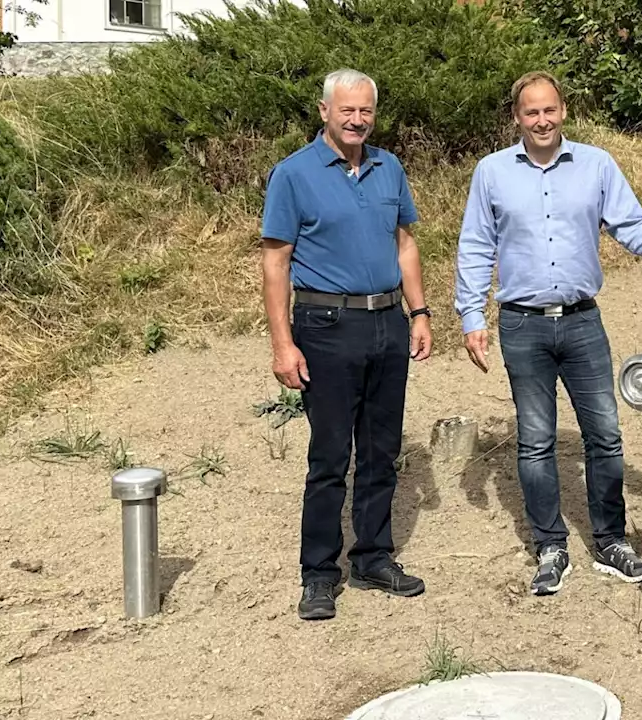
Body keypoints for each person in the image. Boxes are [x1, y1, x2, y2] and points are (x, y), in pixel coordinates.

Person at [454, 71, 642, 597]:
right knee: (536, 441)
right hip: (521, 325)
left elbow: (633, 227)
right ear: (517, 118)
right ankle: (551, 547)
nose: (541, 120)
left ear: (563, 110)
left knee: (606, 436)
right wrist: (472, 317)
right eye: (530, 113)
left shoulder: (596, 164)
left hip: (583, 320)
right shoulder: (492, 172)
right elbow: (477, 245)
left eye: (549, 110)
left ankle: (611, 541)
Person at [260, 68, 433, 621]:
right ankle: (318, 573)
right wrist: (283, 344)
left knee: (381, 450)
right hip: (326, 326)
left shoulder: (389, 168)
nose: (357, 120)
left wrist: (420, 311)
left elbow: (405, 244)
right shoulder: (293, 174)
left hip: (388, 323)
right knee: (331, 456)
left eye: (366, 111)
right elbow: (275, 263)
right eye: (346, 110)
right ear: (324, 111)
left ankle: (374, 556)